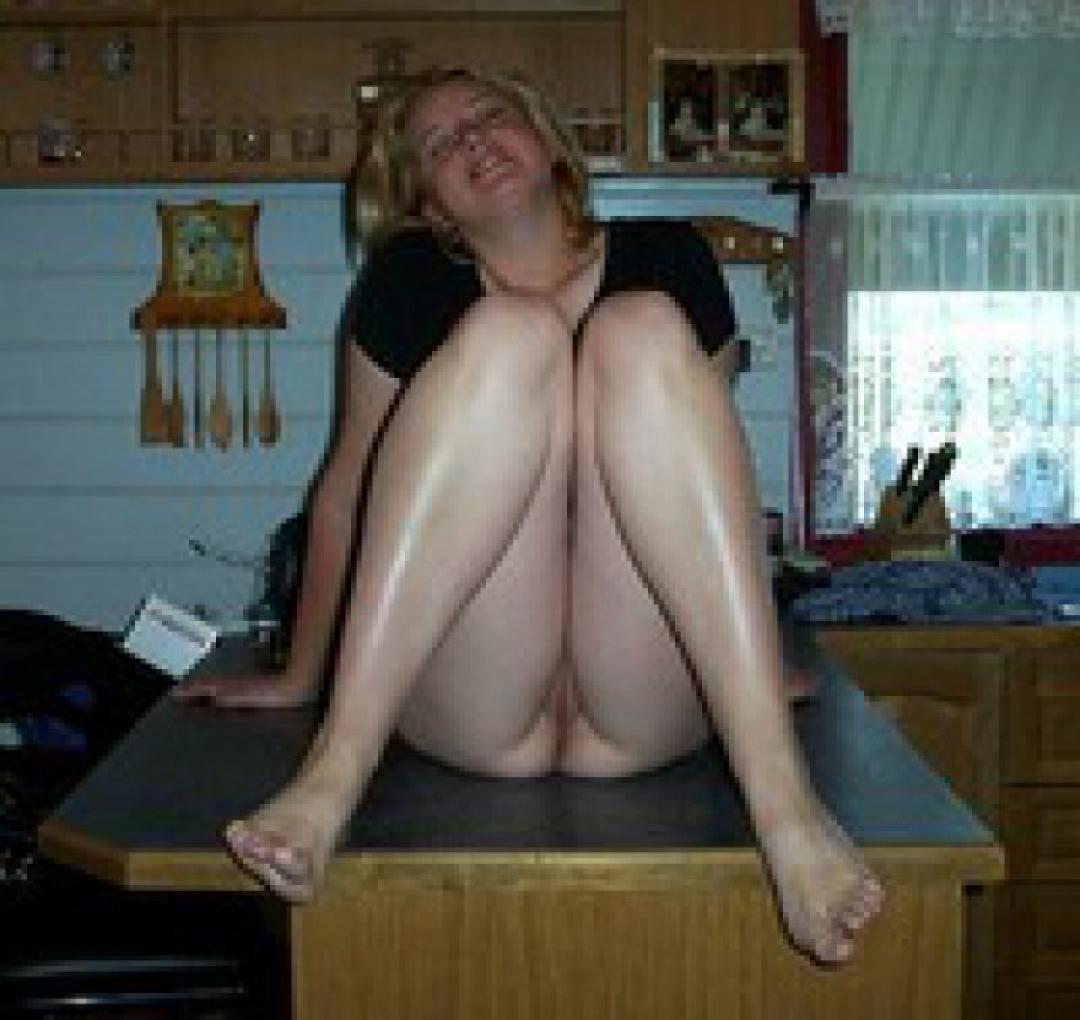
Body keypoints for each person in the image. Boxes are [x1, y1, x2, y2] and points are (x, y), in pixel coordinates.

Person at [174, 66, 881, 965]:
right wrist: (299, 680)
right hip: (479, 698)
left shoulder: (670, 259)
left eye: (489, 117)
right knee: (512, 333)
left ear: (547, 140)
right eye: (440, 144)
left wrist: (755, 661)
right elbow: (346, 493)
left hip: (636, 698)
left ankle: (785, 806)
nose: (473, 141)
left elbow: (707, 481)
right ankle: (333, 776)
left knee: (639, 326)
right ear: (428, 202)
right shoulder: (408, 283)